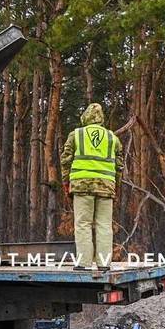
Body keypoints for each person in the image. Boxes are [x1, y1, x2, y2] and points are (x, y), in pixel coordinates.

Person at [60, 103, 123, 271]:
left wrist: (66, 182)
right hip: (106, 188)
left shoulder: (76, 135)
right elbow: (119, 166)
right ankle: (104, 264)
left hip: (82, 187)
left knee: (83, 224)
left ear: (85, 117)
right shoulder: (112, 138)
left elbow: (65, 161)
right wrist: (115, 186)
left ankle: (83, 263)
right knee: (104, 225)